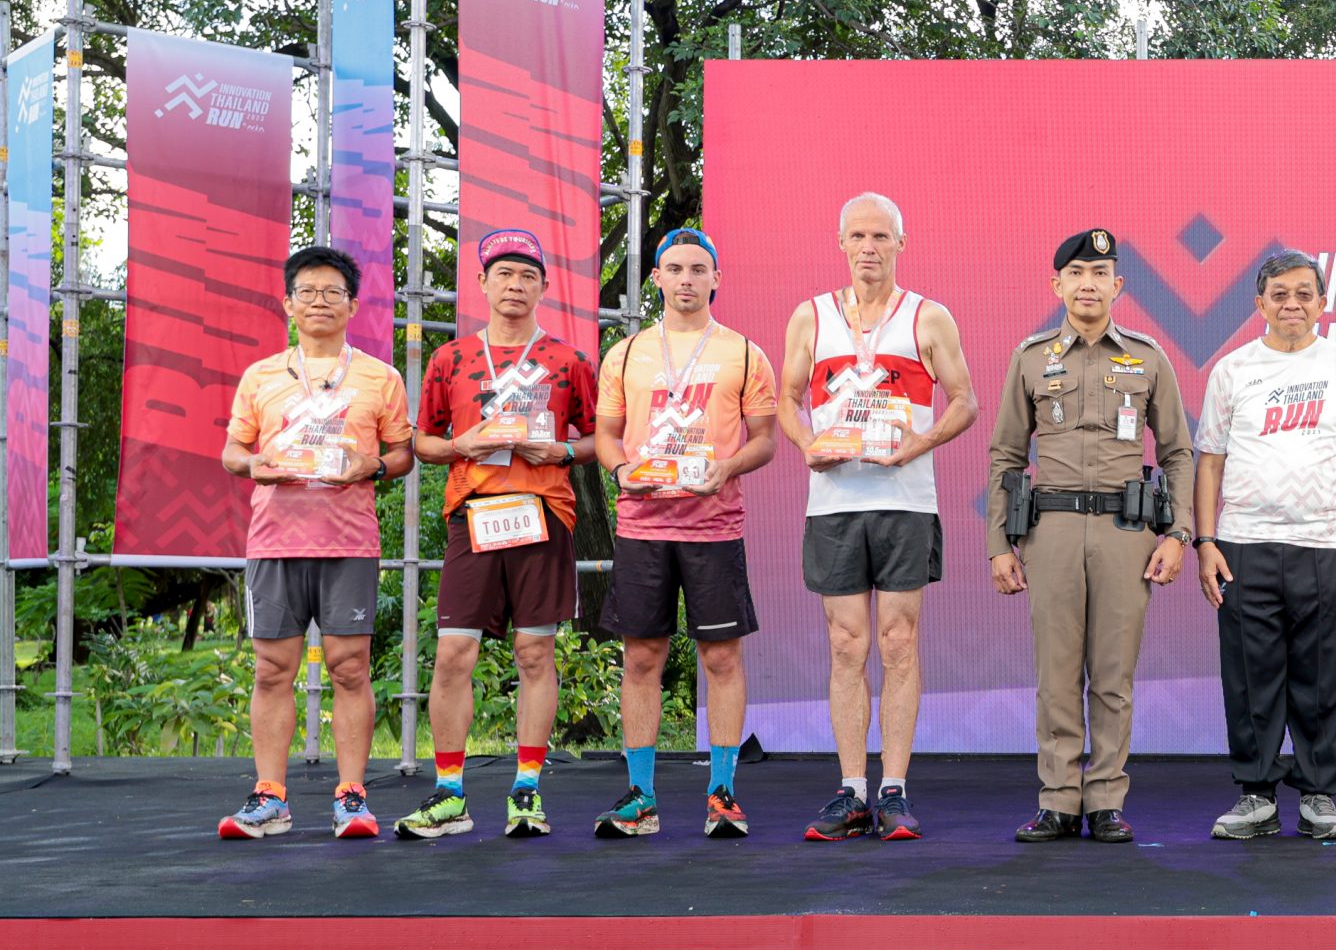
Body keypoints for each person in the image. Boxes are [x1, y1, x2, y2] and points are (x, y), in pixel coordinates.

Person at [779, 193, 978, 844]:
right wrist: (807, 443)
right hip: (835, 501)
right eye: (859, 236)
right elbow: (786, 398)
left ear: (901, 242)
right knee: (846, 644)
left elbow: (965, 401)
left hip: (903, 500)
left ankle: (893, 788)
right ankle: (851, 791)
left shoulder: (928, 316)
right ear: (841, 242)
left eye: (881, 236)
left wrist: (920, 442)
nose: (869, 247)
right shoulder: (811, 316)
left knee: (897, 642)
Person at [987, 228, 1193, 843]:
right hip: (1049, 530)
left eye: (1100, 273)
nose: (1088, 284)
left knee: (1112, 675)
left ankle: (1105, 800)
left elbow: (1178, 452)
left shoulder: (1148, 358)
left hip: (1127, 532)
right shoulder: (1031, 357)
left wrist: (1178, 533)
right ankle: (1058, 800)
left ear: (1118, 285)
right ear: (1057, 284)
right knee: (1056, 675)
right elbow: (1006, 455)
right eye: (1076, 273)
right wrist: (999, 544)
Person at [397, 230, 598, 841]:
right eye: (504, 274)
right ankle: (449, 794)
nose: (515, 285)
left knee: (535, 652)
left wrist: (562, 449)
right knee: (454, 653)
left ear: (544, 287)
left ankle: (526, 790)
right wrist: (461, 444)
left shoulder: (568, 361)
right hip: (475, 513)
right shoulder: (450, 359)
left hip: (543, 512)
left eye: (527, 276)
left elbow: (599, 438)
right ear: (482, 283)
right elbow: (422, 441)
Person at [216, 245, 414, 840]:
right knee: (271, 669)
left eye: (333, 292)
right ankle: (269, 797)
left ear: (353, 305)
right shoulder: (261, 376)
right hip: (274, 540)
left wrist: (370, 466)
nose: (320, 301)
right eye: (308, 291)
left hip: (348, 542)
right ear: (288, 304)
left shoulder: (381, 377)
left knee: (350, 668)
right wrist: (255, 465)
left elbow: (402, 454)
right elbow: (232, 452)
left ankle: (352, 796)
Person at [593, 229, 778, 839]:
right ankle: (640, 797)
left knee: (721, 657)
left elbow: (764, 440)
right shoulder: (625, 355)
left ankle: (722, 793)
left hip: (713, 527)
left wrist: (727, 467)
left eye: (699, 269)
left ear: (716, 278)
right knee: (641, 657)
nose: (687, 280)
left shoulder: (744, 353)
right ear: (657, 279)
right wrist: (622, 471)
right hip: (642, 525)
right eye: (675, 269)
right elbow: (606, 436)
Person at [1195, 251, 1336, 842]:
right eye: (1279, 294)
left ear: (1323, 303)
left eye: (1304, 293)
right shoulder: (1231, 370)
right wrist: (1206, 541)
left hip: (1323, 542)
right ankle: (1255, 793)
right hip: (1244, 542)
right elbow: (1210, 463)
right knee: (1250, 676)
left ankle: (1318, 794)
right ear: (1260, 304)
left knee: (1320, 675)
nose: (1292, 304)